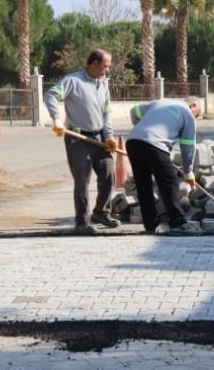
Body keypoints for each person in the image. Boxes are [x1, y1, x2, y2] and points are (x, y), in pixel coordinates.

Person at [44, 49, 117, 234]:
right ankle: (82, 222)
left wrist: (108, 135)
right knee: (82, 180)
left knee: (109, 174)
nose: (107, 70)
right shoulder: (73, 81)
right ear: (94, 64)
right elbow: (51, 95)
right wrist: (57, 120)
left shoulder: (103, 84)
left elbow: (107, 112)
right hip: (78, 138)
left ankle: (101, 212)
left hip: (99, 138)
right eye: (105, 66)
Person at [124, 97, 205, 235]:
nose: (195, 117)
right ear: (193, 105)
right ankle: (178, 221)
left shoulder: (162, 102)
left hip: (133, 141)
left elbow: (134, 111)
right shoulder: (188, 115)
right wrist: (188, 172)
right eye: (197, 114)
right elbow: (187, 146)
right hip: (155, 144)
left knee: (144, 184)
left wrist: (143, 128)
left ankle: (150, 224)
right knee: (169, 181)